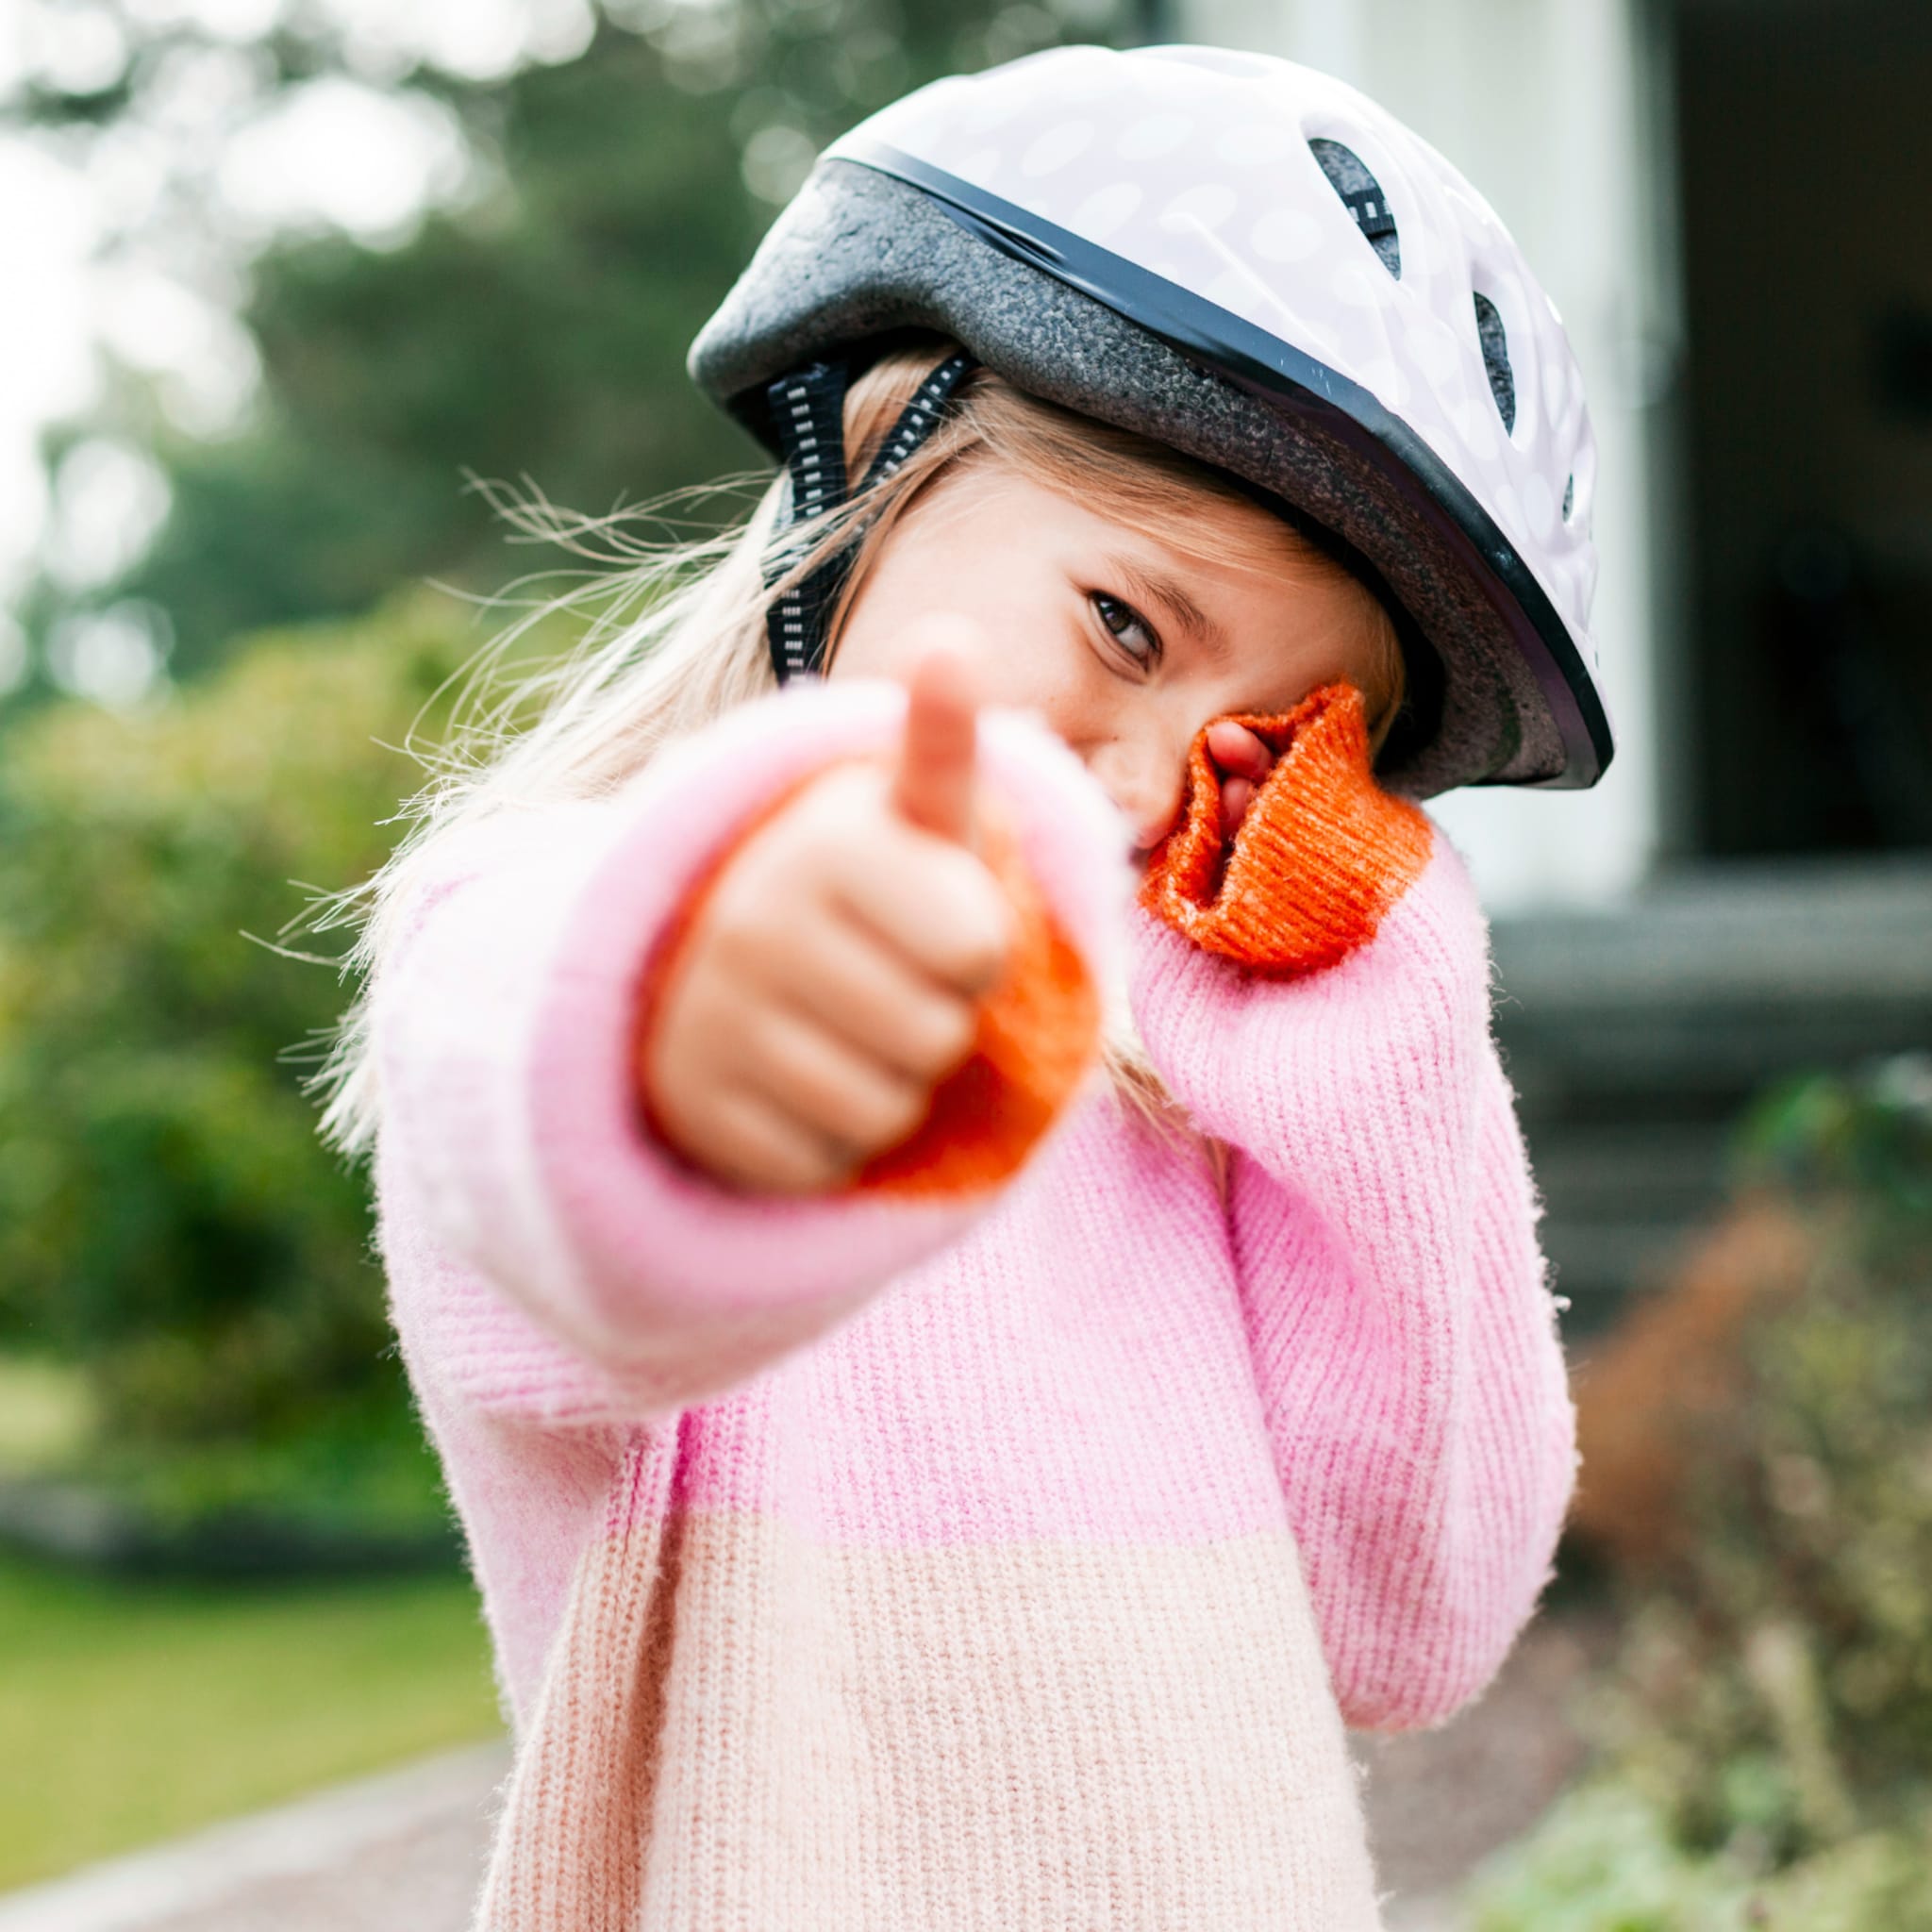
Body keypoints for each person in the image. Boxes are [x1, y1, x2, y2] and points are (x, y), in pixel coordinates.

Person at [318, 42, 1609, 1932]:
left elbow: (1406, 1625)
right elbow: (557, 1184)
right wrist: (705, 1028)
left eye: (1270, 742)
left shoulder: (1197, 1091)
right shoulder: (555, 923)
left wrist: (1369, 1037)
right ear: (889, 433)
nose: (1167, 778)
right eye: (1122, 623)